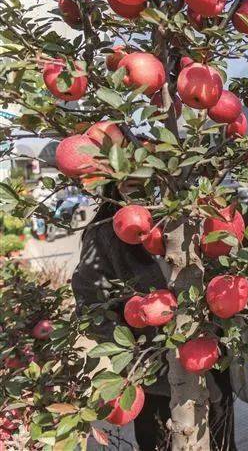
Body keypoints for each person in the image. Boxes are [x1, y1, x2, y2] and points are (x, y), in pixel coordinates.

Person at [71, 183, 236, 450]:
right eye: (131, 177)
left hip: (211, 369)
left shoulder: (195, 217)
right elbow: (90, 305)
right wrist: (131, 354)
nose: (143, 184)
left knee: (221, 442)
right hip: (155, 382)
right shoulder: (107, 233)